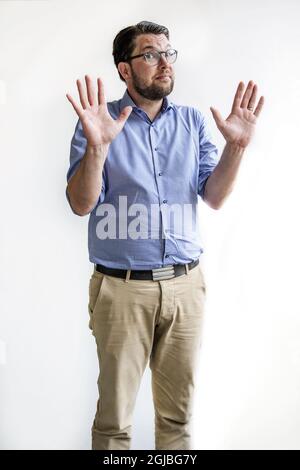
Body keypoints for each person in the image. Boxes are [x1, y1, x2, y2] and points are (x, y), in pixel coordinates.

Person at [65, 21, 264, 450]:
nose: (164, 64)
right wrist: (98, 147)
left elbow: (214, 196)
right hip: (122, 289)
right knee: (114, 422)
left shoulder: (192, 123)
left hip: (186, 286)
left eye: (168, 54)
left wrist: (237, 148)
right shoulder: (97, 123)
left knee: (178, 419)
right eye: (150, 54)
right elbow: (82, 204)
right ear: (125, 69)